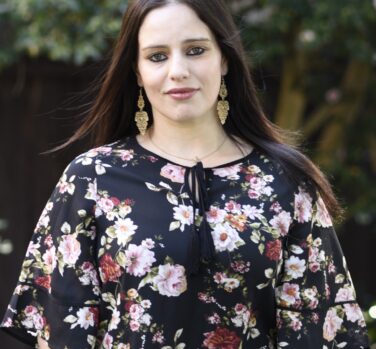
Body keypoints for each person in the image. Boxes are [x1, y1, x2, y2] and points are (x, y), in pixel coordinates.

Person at [1, 0, 370, 348]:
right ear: (138, 72)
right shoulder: (91, 179)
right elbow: (63, 331)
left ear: (224, 58)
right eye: (157, 56)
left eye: (196, 50)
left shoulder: (286, 182)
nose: (178, 70)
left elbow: (321, 331)